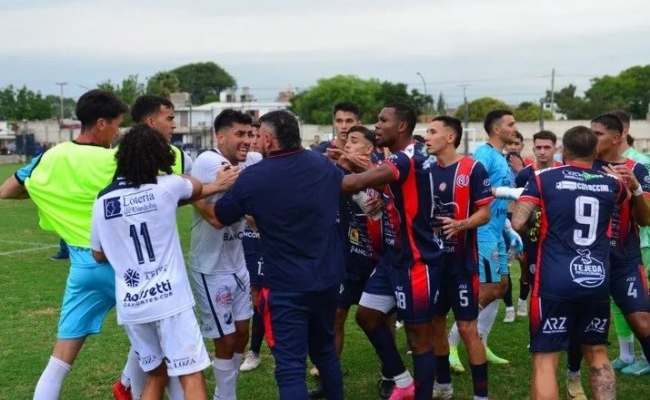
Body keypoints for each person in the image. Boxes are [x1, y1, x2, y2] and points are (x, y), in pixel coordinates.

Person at [0, 89, 129, 399]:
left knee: (60, 360)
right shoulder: (116, 158)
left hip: (81, 268)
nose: (118, 132)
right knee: (157, 342)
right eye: (117, 124)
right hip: (119, 265)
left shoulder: (50, 156)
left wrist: (49, 193)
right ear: (101, 123)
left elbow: (7, 190)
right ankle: (125, 387)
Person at [210, 110, 345, 399]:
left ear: (268, 139)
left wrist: (199, 193)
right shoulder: (322, 165)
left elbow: (220, 216)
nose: (254, 141)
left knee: (290, 367)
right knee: (325, 352)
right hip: (327, 279)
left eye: (257, 136)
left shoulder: (255, 177)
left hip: (286, 285)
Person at [90, 125, 219, 400]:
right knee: (191, 374)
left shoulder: (102, 200)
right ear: (159, 156)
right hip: (171, 300)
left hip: (133, 304)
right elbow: (195, 185)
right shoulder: (167, 186)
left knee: (156, 374)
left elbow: (98, 254)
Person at [512, 125, 627, 400]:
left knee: (545, 359)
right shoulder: (613, 184)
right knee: (597, 352)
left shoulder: (543, 179)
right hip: (596, 278)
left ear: (563, 151)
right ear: (595, 151)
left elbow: (518, 221)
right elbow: (626, 203)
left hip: (553, 279)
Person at [341, 103, 443, 400]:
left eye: (382, 120)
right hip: (392, 257)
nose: (377, 124)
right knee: (367, 316)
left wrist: (315, 181)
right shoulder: (398, 159)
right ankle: (403, 381)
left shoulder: (406, 157)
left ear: (401, 126)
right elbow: (393, 192)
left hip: (416, 261)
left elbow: (359, 181)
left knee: (418, 337)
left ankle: (420, 394)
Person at [113, 94, 194, 399]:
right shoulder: (129, 159)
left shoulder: (170, 156)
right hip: (159, 281)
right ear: (151, 121)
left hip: (134, 287)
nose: (174, 124)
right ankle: (127, 386)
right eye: (170, 118)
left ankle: (126, 386)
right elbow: (189, 188)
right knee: (181, 365)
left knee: (152, 354)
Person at [308, 125, 388, 399]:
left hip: (380, 261)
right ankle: (328, 379)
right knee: (336, 317)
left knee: (382, 319)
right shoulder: (338, 168)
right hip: (348, 260)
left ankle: (390, 374)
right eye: (347, 139)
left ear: (369, 148)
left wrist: (383, 202)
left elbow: (398, 203)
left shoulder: (383, 172)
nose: (348, 143)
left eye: (355, 141)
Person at [190, 109, 261, 399]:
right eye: (240, 134)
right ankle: (225, 395)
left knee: (242, 332)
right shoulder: (209, 161)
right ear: (220, 136)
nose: (247, 141)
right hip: (210, 266)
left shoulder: (249, 161)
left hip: (237, 262)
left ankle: (225, 391)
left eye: (250, 134)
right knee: (226, 337)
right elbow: (217, 218)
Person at [424, 116, 493, 400]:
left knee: (467, 328)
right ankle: (443, 385)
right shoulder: (426, 171)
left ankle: (481, 395)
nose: (426, 137)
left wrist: (461, 224)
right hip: (433, 264)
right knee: (435, 323)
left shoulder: (472, 168)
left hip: (461, 265)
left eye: (432, 132)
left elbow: (485, 212)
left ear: (450, 137)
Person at [448, 109, 516, 372]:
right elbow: (473, 191)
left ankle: (481, 343)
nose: (515, 128)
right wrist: (509, 192)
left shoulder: (501, 156)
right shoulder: (484, 155)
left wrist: (508, 227)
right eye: (511, 124)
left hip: (497, 230)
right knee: (488, 289)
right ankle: (452, 341)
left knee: (501, 287)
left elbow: (496, 201)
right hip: (483, 232)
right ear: (497, 129)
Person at [591, 113, 650, 377]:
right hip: (589, 259)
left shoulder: (636, 169)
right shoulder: (584, 166)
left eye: (598, 134)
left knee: (643, 322)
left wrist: (635, 189)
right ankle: (573, 377)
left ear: (616, 137)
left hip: (625, 259)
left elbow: (645, 219)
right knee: (588, 326)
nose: (593, 139)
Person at [608, 109, 650, 375]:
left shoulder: (639, 161)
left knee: (641, 302)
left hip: (640, 240)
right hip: (613, 245)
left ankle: (645, 359)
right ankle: (626, 354)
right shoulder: (597, 162)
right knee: (616, 300)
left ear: (620, 133)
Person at [513, 130, 562, 316]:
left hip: (558, 238)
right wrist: (520, 242)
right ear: (533, 149)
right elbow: (517, 208)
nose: (542, 152)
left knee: (559, 285)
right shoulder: (524, 175)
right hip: (533, 241)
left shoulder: (563, 170)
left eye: (547, 147)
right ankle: (537, 333)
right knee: (536, 286)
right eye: (539, 147)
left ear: (555, 149)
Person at [239, 121, 266, 373]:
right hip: (247, 239)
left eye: (257, 135)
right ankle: (252, 350)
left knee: (265, 295)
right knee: (253, 293)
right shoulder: (244, 163)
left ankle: (256, 350)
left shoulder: (276, 165)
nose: (253, 140)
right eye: (250, 135)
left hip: (270, 240)